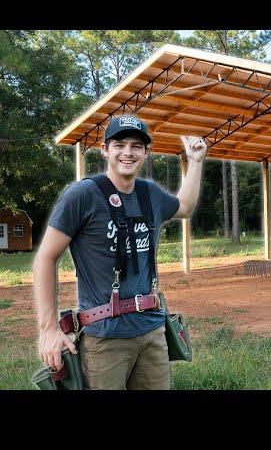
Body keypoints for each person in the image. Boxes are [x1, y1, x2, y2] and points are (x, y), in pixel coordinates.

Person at [33, 114, 207, 390]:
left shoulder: (150, 194)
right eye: (120, 144)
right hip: (105, 338)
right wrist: (48, 329)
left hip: (152, 330)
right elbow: (46, 257)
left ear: (146, 152)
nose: (128, 152)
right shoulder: (82, 195)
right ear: (105, 150)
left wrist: (195, 161)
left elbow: (184, 205)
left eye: (136, 146)